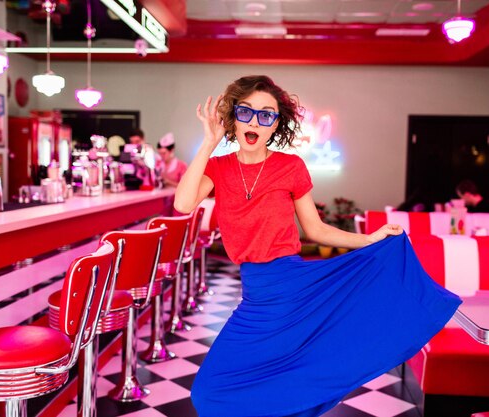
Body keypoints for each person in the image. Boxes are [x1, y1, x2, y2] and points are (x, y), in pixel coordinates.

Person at [174, 75, 461, 417]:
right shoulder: (218, 169)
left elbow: (315, 228)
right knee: (211, 391)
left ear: (276, 123)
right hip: (256, 296)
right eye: (246, 111)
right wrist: (209, 143)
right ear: (233, 117)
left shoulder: (290, 166)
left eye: (267, 115)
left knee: (294, 378)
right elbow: (183, 204)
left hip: (294, 288)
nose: (255, 121)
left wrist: (368, 239)